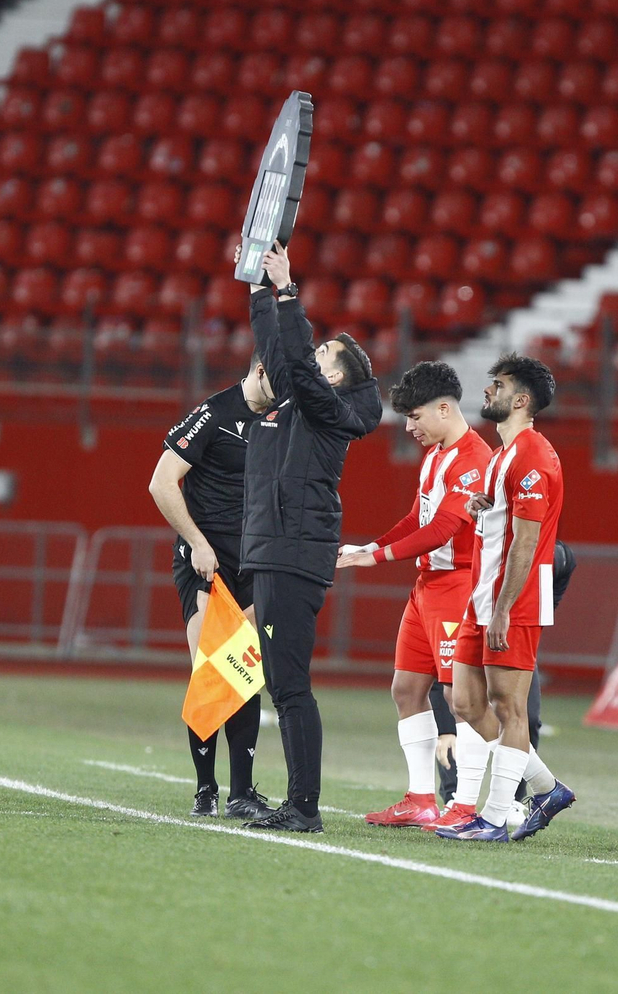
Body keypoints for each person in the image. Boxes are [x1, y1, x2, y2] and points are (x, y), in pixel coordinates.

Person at [239, 241, 382, 833]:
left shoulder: (327, 408)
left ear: (336, 377)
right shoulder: (303, 397)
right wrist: (258, 292)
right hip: (277, 548)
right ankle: (299, 801)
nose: (312, 354)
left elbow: (294, 360)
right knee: (282, 683)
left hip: (295, 551)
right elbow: (279, 352)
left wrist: (289, 291)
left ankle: (304, 806)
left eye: (324, 353)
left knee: (291, 685)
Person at [336, 360, 492, 829]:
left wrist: (378, 559)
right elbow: (418, 519)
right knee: (406, 689)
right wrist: (374, 545)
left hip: (457, 586)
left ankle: (467, 803)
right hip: (426, 588)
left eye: (415, 417)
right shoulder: (436, 456)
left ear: (445, 408)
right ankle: (421, 798)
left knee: (461, 698)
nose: (408, 427)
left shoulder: (474, 461)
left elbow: (444, 529)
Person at [437, 354, 574, 843]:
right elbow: (507, 527)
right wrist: (486, 510)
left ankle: (494, 817)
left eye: (496, 385)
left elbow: (528, 542)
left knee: (510, 708)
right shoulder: (505, 456)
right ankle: (546, 788)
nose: (486, 391)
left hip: (510, 601)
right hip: (485, 595)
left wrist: (503, 608)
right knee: (466, 703)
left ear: (520, 400)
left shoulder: (533, 455)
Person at [148, 356, 278, 822]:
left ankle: (242, 793)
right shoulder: (214, 414)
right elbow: (161, 482)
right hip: (206, 564)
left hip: (255, 564)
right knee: (211, 671)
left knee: (244, 675)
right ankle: (206, 787)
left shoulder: (283, 415)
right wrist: (197, 543)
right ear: (260, 369)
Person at [428, 539, 575, 809]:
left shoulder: (558, 559)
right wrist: (444, 728)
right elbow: (441, 663)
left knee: (522, 717)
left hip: (510, 626)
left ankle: (511, 801)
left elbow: (546, 604)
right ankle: (456, 798)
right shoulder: (469, 560)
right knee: (461, 704)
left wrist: (516, 623)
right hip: (473, 618)